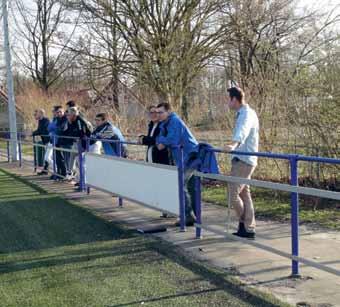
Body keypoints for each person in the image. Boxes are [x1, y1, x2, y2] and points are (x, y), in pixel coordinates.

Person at [156, 102, 199, 226]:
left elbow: (172, 139)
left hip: (190, 156)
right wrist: (161, 141)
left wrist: (162, 142)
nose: (158, 115)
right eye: (157, 112)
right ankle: (194, 215)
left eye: (161, 112)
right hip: (183, 157)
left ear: (168, 112)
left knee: (182, 184)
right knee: (189, 186)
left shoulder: (174, 121)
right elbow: (159, 137)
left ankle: (188, 216)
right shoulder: (164, 123)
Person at [224, 87, 259, 239]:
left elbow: (242, 132)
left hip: (244, 160)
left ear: (234, 99)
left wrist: (233, 145)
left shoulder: (246, 114)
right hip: (243, 159)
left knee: (232, 195)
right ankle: (248, 228)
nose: (228, 103)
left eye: (228, 99)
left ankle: (245, 224)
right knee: (245, 194)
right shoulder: (243, 113)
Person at [139, 105, 172, 218]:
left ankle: (169, 209)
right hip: (152, 157)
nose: (153, 114)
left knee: (165, 184)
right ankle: (163, 208)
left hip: (162, 158)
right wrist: (144, 139)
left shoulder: (163, 125)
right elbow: (151, 140)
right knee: (157, 184)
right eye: (151, 113)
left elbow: (158, 140)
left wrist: (144, 139)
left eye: (156, 112)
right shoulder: (151, 124)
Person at [32, 109, 50, 175]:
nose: (35, 115)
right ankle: (45, 170)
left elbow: (40, 130)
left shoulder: (46, 120)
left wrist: (32, 133)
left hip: (49, 140)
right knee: (46, 157)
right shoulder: (40, 120)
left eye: (37, 114)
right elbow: (39, 130)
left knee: (48, 157)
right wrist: (34, 133)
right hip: (44, 140)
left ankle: (54, 171)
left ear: (41, 114)